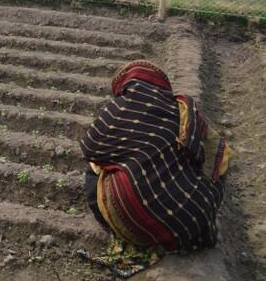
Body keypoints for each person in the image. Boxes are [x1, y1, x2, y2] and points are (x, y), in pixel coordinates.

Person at [79, 60, 232, 277]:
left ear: (124, 85)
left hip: (137, 218)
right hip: (193, 221)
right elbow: (216, 155)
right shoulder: (184, 109)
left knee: (95, 167)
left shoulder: (121, 107)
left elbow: (89, 147)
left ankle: (128, 229)